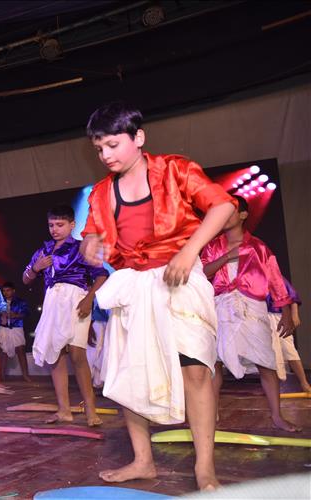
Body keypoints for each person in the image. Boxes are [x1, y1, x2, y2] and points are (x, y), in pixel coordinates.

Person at [80, 101, 236, 490]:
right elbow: (93, 235)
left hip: (179, 278)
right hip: (135, 286)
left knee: (195, 368)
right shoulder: (101, 192)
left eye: (113, 145)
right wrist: (92, 245)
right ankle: (143, 461)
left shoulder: (175, 170)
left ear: (138, 138)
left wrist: (189, 250)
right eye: (99, 149)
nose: (106, 155)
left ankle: (204, 468)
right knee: (131, 373)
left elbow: (223, 206)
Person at [201, 196, 299, 431]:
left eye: (230, 211)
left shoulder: (258, 247)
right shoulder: (212, 246)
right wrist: (227, 257)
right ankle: (210, 417)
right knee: (214, 365)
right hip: (220, 307)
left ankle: (277, 416)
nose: (224, 217)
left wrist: (286, 311)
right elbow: (202, 273)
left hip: (253, 309)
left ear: (243, 215)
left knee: (266, 363)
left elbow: (275, 280)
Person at [24, 205, 108, 426]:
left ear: (72, 225)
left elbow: (101, 275)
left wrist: (89, 299)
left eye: (60, 225)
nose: (54, 229)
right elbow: (25, 278)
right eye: (51, 225)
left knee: (78, 354)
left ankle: (91, 410)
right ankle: (64, 410)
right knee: (55, 355)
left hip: (76, 300)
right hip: (53, 302)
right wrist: (35, 268)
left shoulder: (81, 248)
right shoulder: (43, 251)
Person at [268, 278, 309, 393]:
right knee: (270, 352)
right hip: (262, 318)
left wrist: (294, 315)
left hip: (279, 316)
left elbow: (292, 295)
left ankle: (304, 382)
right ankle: (273, 387)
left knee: (289, 349)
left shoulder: (274, 275)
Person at [0, 282, 31, 382]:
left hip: (17, 327)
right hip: (4, 328)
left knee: (20, 350)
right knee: (3, 352)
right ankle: (1, 376)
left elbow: (26, 313)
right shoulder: (0, 302)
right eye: (4, 291)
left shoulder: (20, 302)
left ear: (13, 291)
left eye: (8, 290)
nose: (5, 293)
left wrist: (15, 315)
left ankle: (25, 375)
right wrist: (1, 317)